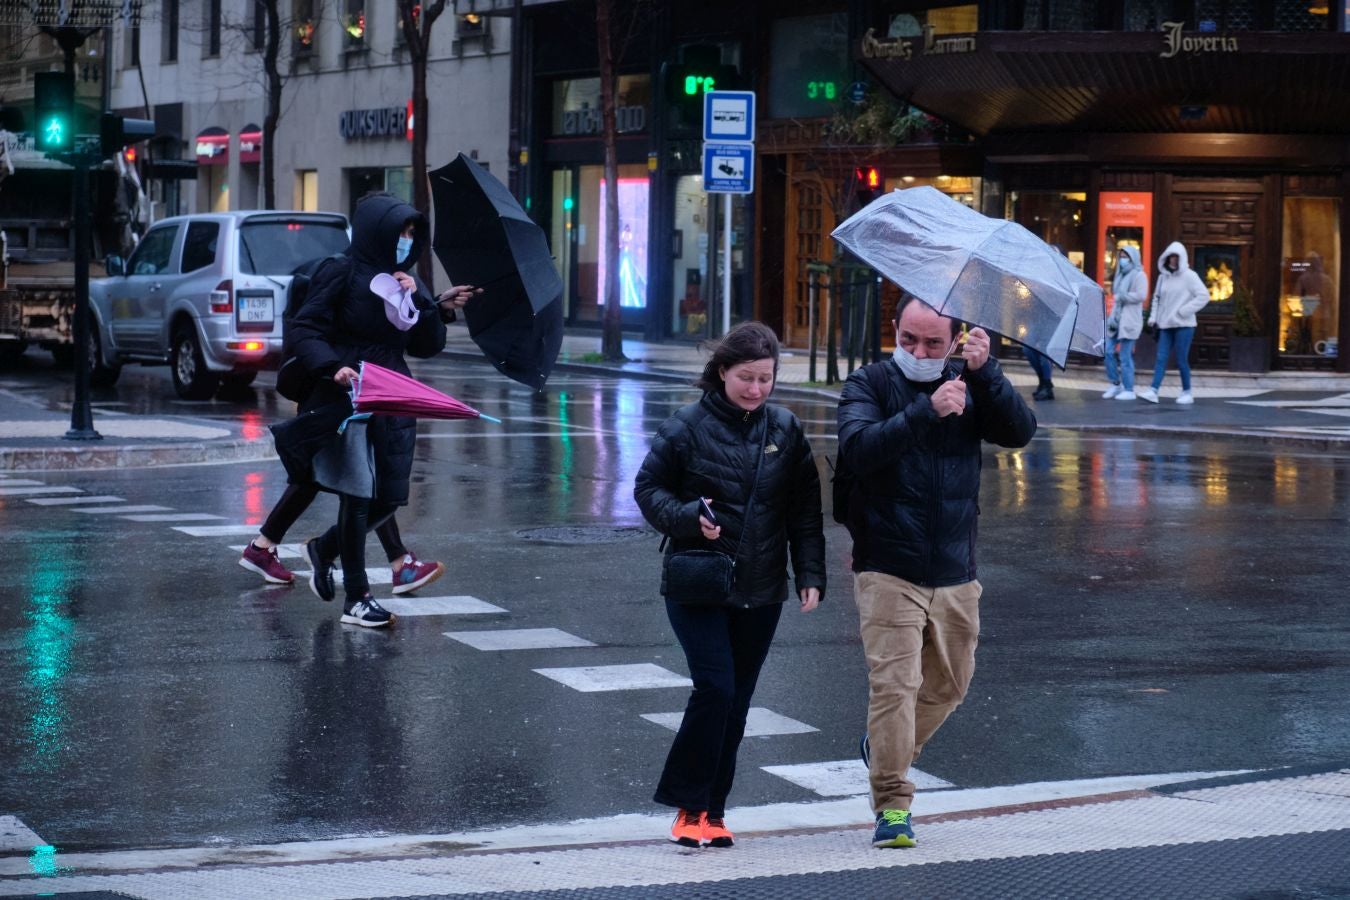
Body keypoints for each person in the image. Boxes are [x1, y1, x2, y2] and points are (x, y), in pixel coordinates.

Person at [836, 295, 1035, 849]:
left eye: (932, 344)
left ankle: (883, 748)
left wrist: (987, 373)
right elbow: (857, 449)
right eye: (908, 340)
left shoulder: (969, 380)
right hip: (887, 566)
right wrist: (926, 411)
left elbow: (1020, 432)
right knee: (895, 688)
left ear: (954, 340)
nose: (919, 353)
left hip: (954, 566)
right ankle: (893, 808)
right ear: (893, 330)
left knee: (950, 686)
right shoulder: (869, 384)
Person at [634, 321, 825, 849]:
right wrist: (689, 516)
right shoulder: (687, 425)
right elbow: (648, 489)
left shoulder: (785, 429)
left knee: (737, 701)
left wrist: (810, 573)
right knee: (715, 688)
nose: (757, 389)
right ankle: (688, 806)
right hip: (699, 582)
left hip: (761, 590)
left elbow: (805, 511)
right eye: (746, 377)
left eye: (766, 379)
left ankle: (713, 812)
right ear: (722, 372)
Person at [285, 192, 475, 627]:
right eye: (400, 232)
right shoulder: (341, 272)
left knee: (389, 496)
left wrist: (433, 309)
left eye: (412, 234)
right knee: (356, 495)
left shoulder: (406, 280)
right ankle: (358, 597)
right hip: (348, 396)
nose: (406, 241)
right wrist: (332, 367)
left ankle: (323, 549)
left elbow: (427, 346)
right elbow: (305, 327)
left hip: (394, 395)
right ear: (377, 231)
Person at [238, 487, 444, 596]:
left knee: (320, 474)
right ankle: (392, 570)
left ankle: (262, 547)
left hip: (336, 411)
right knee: (356, 477)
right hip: (334, 411)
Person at [1139, 241, 1209, 405]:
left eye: (1176, 257)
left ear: (1182, 258)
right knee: (1161, 358)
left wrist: (1184, 311)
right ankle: (1153, 390)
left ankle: (1187, 392)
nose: (1173, 260)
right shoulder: (1163, 277)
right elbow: (1157, 298)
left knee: (1181, 359)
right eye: (1170, 257)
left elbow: (1204, 296)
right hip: (1165, 325)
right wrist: (1153, 317)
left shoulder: (1190, 276)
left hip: (1184, 325)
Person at [1102, 245, 1147, 401]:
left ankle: (1129, 389)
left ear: (1133, 257)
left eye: (1125, 256)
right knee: (1108, 351)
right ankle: (1115, 383)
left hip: (1129, 321)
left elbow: (1141, 295)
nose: (1123, 259)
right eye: (1121, 256)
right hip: (1116, 320)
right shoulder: (1119, 275)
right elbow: (1116, 297)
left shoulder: (1139, 275)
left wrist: (1124, 296)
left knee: (1125, 355)